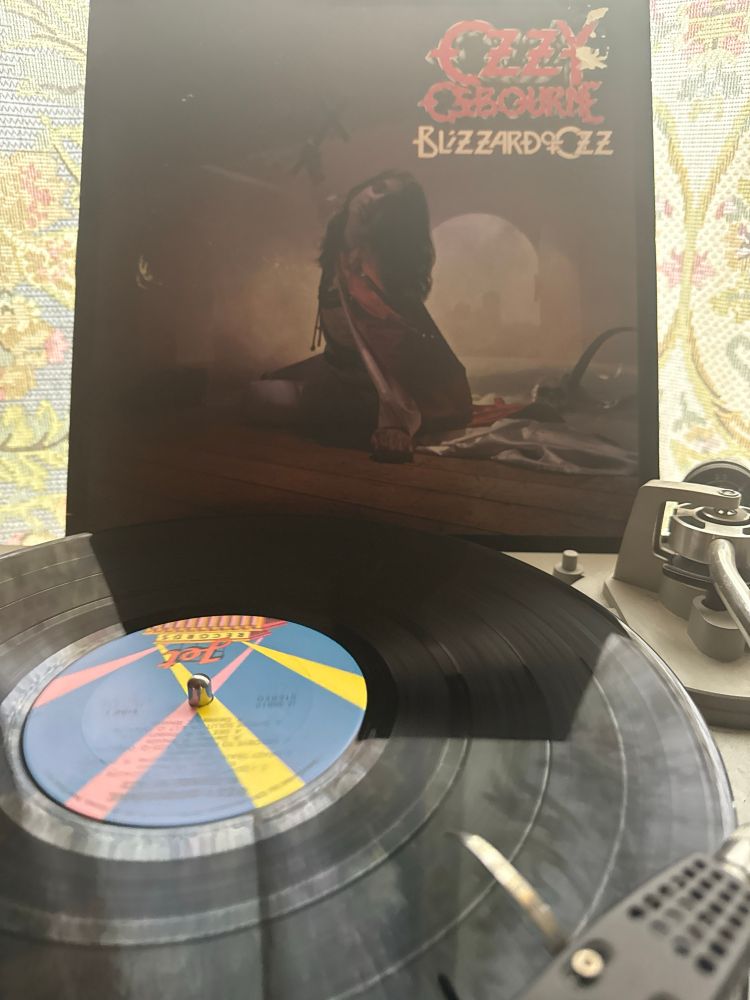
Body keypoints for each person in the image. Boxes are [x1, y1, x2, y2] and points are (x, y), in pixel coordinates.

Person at [245, 169, 472, 462]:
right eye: (377, 188)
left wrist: (396, 424)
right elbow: (340, 352)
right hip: (338, 369)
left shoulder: (374, 273)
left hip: (369, 387)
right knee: (264, 385)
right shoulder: (339, 249)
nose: (374, 200)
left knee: (260, 399)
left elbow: (397, 357)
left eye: (388, 203)